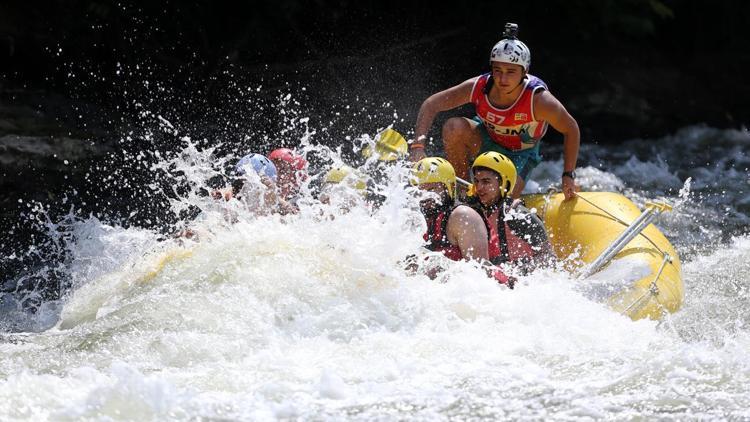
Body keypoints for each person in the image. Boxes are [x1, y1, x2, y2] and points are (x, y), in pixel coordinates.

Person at [409, 22, 580, 201]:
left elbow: (571, 129)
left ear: (525, 71)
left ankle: (498, 201)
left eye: (511, 72)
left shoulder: (540, 100)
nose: (502, 78)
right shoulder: (479, 87)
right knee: (453, 127)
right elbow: (431, 104)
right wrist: (417, 147)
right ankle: (462, 194)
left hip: (521, 154)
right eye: (497, 70)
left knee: (498, 202)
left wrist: (568, 174)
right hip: (486, 140)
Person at [409, 156, 513, 285]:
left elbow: (479, 274)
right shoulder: (416, 219)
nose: (425, 196)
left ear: (450, 187)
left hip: (494, 288)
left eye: (432, 190)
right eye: (420, 191)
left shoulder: (462, 216)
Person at [466, 151, 555, 273]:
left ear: (504, 184)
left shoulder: (519, 216)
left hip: (522, 281)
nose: (479, 187)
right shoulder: (472, 212)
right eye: (476, 181)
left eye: (486, 182)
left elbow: (549, 259)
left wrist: (519, 272)